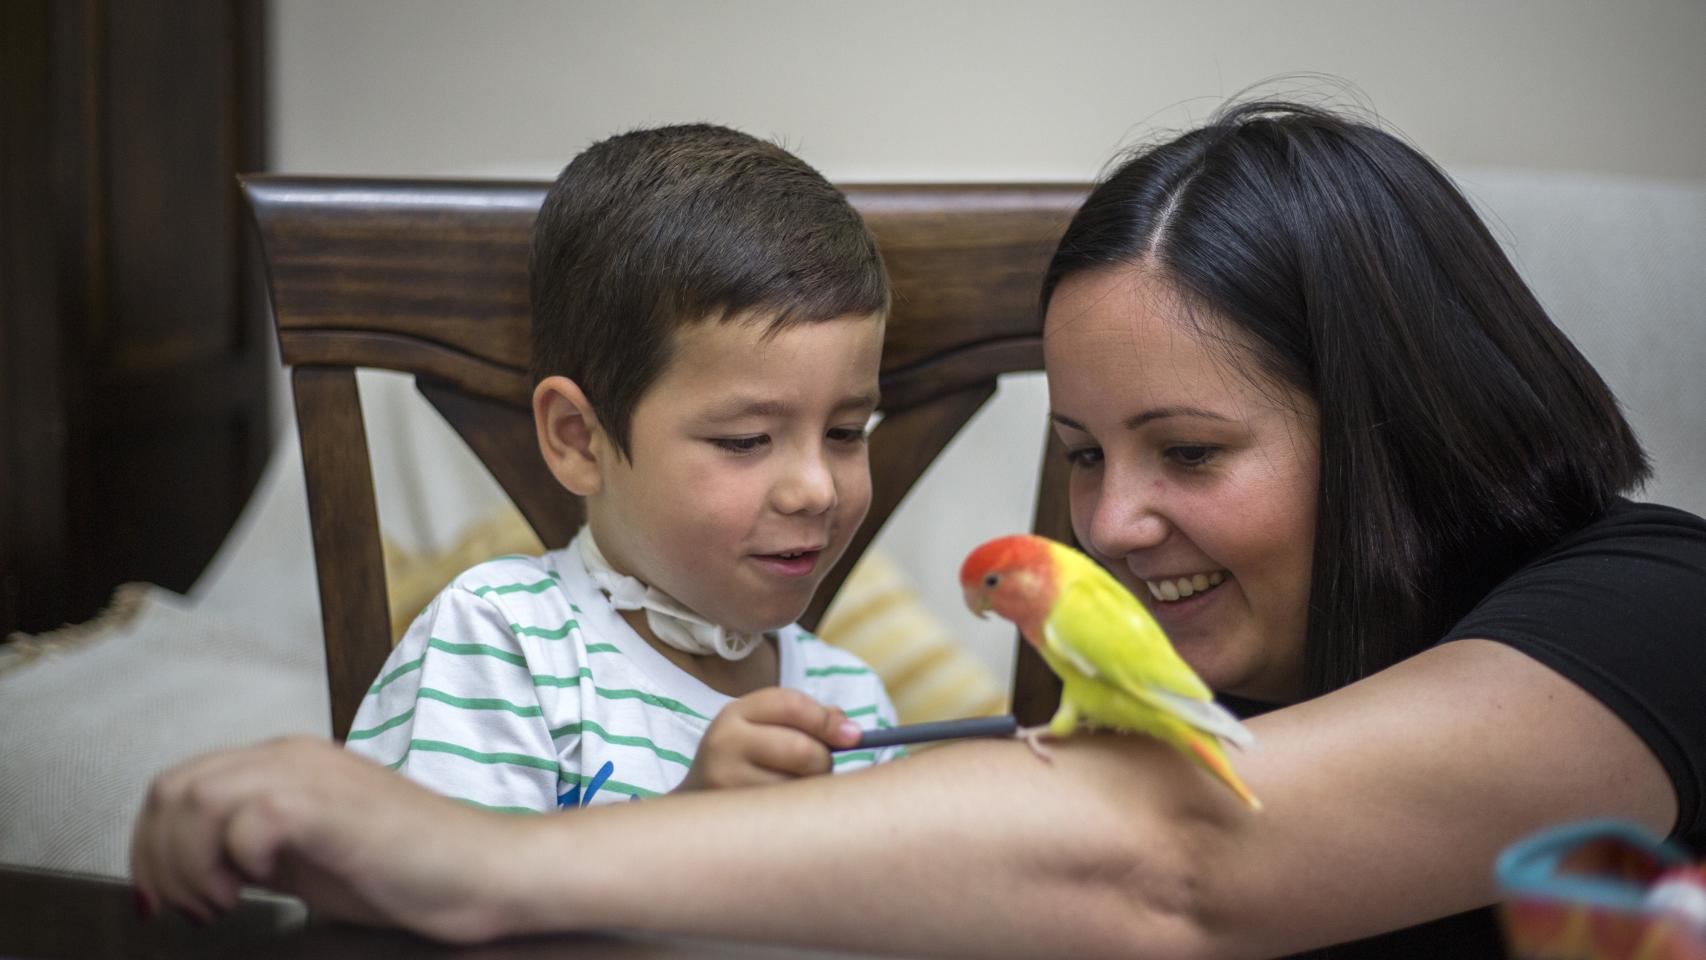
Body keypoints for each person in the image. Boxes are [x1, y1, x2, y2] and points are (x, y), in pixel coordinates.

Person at [130, 102, 1706, 958]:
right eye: (1081, 454)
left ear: (1390, 423)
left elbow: (1173, 868)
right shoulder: (1208, 698)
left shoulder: (1648, 605)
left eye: (1191, 450)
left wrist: (479, 864)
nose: (1110, 523)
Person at [343, 123, 903, 814]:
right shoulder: (501, 647)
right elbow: (434, 894)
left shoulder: (851, 706)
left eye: (847, 432)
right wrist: (688, 816)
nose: (817, 489)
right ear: (580, 440)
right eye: (746, 440)